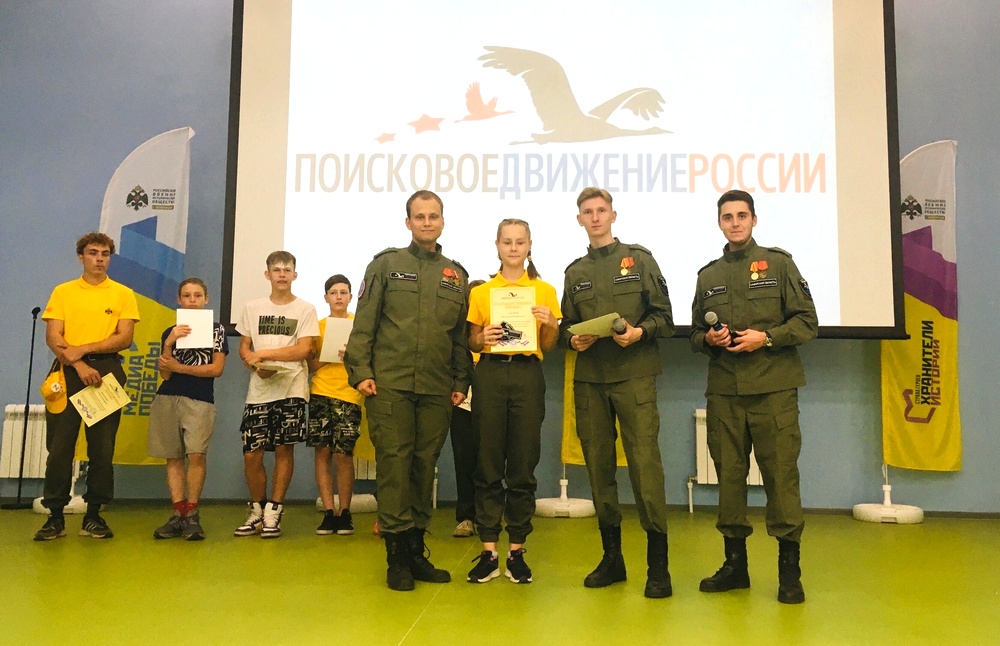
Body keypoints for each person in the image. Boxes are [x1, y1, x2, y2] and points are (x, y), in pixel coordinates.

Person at [690, 189, 818, 604]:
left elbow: (807, 322)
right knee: (729, 480)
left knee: (781, 479)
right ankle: (735, 567)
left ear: (754, 219)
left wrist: (767, 338)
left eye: (742, 215)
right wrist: (708, 339)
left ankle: (789, 574)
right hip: (725, 393)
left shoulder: (779, 264)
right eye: (727, 217)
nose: (735, 223)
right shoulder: (708, 276)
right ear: (719, 223)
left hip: (773, 391)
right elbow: (695, 334)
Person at [345, 189, 473, 592]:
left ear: (442, 221)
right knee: (395, 467)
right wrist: (360, 371)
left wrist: (461, 380)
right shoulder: (386, 265)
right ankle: (396, 558)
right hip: (390, 385)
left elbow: (458, 337)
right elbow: (364, 323)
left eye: (433, 216)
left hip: (437, 387)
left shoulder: (456, 276)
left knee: (423, 466)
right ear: (408, 222)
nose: (427, 222)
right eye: (420, 216)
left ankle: (417, 553)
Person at [558, 187, 674, 598]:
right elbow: (566, 325)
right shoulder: (575, 272)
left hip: (634, 375)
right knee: (599, 468)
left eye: (601, 210)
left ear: (613, 215)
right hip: (591, 379)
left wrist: (640, 332)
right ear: (579, 220)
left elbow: (665, 317)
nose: (595, 217)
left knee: (645, 467)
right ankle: (613, 559)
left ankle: (658, 567)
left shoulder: (639, 260)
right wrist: (572, 340)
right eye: (587, 212)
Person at [465, 219, 561, 585]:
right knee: (488, 461)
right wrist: (482, 338)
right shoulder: (482, 292)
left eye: (520, 242)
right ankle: (489, 551)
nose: (514, 248)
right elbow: (472, 340)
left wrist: (551, 324)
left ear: (529, 245)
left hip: (527, 375)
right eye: (507, 242)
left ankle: (517, 551)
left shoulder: (544, 290)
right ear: (497, 245)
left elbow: (548, 345)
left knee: (523, 462)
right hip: (490, 373)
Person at [34, 232, 140, 541]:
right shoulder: (63, 292)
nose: (99, 259)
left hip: (106, 372)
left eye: (105, 254)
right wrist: (79, 363)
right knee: (59, 448)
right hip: (67, 372)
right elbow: (54, 336)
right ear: (81, 257)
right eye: (93, 253)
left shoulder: (122, 294)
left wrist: (85, 349)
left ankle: (94, 515)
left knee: (102, 448)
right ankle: (55, 516)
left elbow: (124, 338)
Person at [234, 251, 320, 538]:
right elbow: (244, 346)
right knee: (252, 454)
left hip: (291, 388)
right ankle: (257, 510)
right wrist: (252, 362)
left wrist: (265, 354)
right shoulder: (252, 307)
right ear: (267, 274)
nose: (282, 274)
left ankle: (274, 510)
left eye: (287, 269)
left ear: (295, 274)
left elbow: (304, 349)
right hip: (259, 391)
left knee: (285, 449)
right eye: (276, 269)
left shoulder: (305, 309)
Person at [149, 278, 228, 540]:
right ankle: (178, 513)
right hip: (167, 398)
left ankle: (193, 514)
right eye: (186, 295)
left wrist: (180, 367)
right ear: (179, 300)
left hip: (199, 400)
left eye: (197, 295)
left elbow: (216, 369)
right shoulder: (170, 331)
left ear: (206, 299)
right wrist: (169, 343)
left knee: (196, 455)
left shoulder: (217, 330)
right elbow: (165, 374)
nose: (192, 300)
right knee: (173, 457)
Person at [307, 274, 363, 536]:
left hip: (349, 394)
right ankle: (329, 511)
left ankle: (345, 512)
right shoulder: (317, 327)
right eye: (333, 292)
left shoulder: (360, 326)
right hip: (320, 392)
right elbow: (310, 365)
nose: (338, 297)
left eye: (343, 292)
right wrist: (327, 355)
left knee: (343, 454)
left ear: (351, 297)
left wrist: (351, 355)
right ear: (326, 297)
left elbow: (368, 362)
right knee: (322, 451)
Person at [449, 279, 485, 540]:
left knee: (490, 462)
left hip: (492, 404)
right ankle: (466, 517)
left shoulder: (496, 332)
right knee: (464, 461)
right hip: (462, 404)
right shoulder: (458, 335)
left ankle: (488, 515)